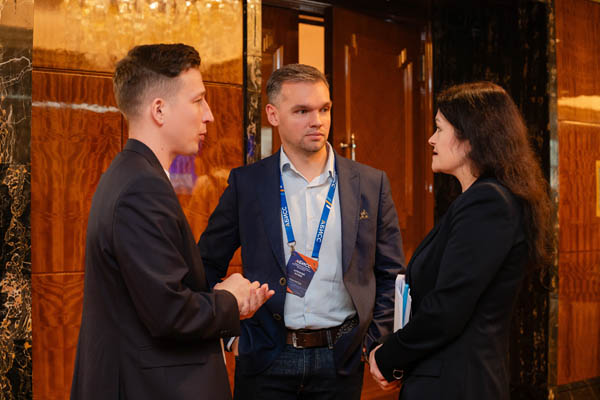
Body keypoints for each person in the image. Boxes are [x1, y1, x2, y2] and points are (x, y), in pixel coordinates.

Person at [70, 43, 274, 400]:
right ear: (159, 110)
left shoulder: (133, 174)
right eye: (198, 100)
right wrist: (231, 299)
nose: (209, 115)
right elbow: (169, 313)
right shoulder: (141, 187)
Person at [197, 63, 406, 400]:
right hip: (265, 359)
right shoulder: (247, 184)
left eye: (324, 109)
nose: (317, 120)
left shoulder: (370, 183)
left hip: (340, 361)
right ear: (273, 114)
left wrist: (374, 342)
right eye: (302, 111)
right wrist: (230, 334)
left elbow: (390, 274)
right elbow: (204, 265)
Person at [369, 82, 552, 399]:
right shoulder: (479, 200)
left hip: (457, 382)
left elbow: (448, 308)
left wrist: (388, 356)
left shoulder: (487, 203)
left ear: (471, 138)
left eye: (439, 128)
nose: (431, 139)